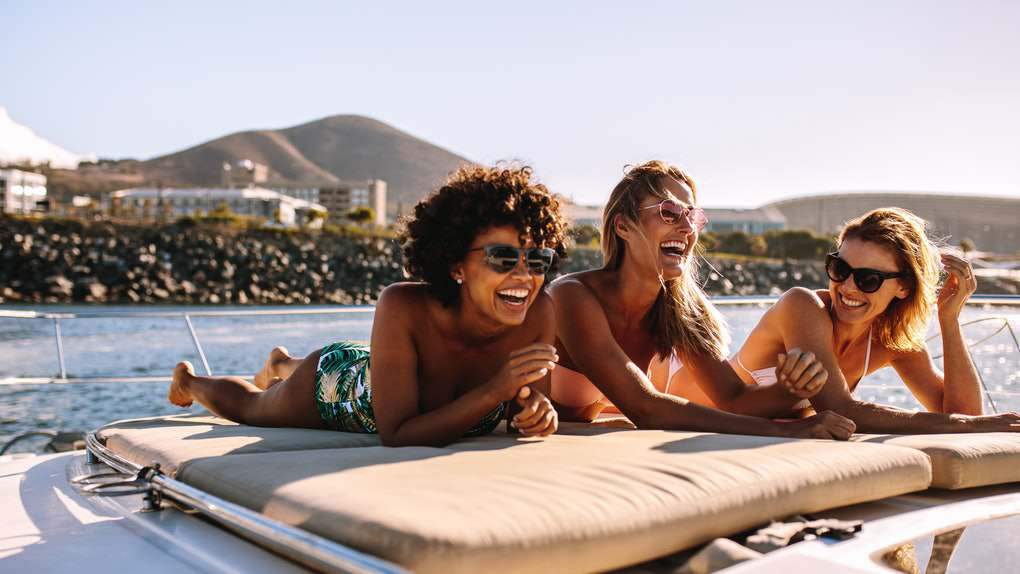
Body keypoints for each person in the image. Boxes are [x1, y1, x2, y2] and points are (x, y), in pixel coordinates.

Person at [168, 164, 567, 447]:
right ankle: (188, 382)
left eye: (537, 261)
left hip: (384, 365)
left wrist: (536, 411)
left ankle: (280, 364)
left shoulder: (539, 314)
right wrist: (496, 389)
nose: (523, 276)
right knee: (253, 407)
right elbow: (397, 434)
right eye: (502, 257)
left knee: (340, 367)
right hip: (344, 386)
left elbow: (524, 410)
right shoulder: (404, 304)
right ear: (455, 263)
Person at [548, 160, 856, 439]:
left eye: (692, 216)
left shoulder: (678, 309)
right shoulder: (573, 297)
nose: (686, 228)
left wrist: (791, 390)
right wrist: (785, 430)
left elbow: (735, 399)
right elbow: (645, 408)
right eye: (668, 212)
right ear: (623, 226)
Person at [711, 207, 1020, 433]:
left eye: (868, 279)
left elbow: (965, 414)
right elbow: (838, 407)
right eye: (840, 269)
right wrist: (964, 424)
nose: (847, 287)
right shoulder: (802, 305)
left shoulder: (889, 340)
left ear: (904, 287)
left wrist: (948, 320)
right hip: (699, 422)